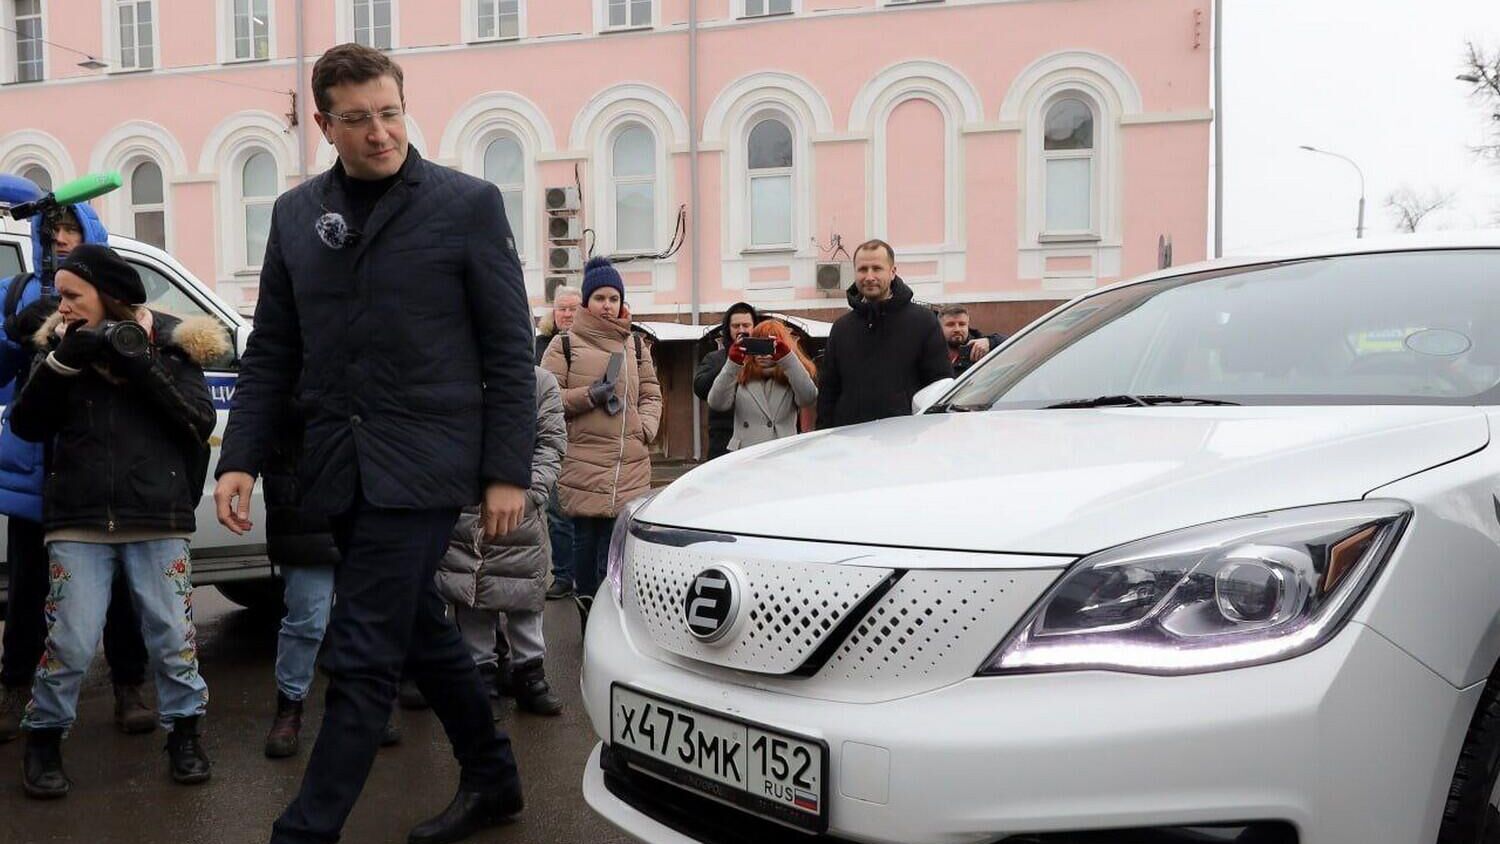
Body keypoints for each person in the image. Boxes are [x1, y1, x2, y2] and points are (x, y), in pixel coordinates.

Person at [213, 43, 534, 844]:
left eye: (390, 112)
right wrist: (240, 456)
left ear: (403, 105)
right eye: (357, 120)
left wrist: (505, 472)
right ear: (325, 124)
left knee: (359, 652)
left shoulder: (467, 204)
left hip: (426, 463)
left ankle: (305, 830)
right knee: (418, 629)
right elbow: (274, 351)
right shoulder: (295, 217)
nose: (380, 133)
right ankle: (494, 778)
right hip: (338, 464)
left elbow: (506, 350)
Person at [9, 244, 220, 798]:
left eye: (74, 296)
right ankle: (45, 739)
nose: (64, 306)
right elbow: (28, 425)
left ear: (109, 297)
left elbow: (197, 421)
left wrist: (140, 364)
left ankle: (185, 737)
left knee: (174, 639)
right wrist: (62, 362)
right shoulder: (58, 345)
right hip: (78, 519)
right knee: (72, 641)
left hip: (157, 515)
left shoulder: (176, 343)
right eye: (61, 296)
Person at [0, 201, 154, 742]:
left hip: (98, 472)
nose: (60, 238)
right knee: (26, 592)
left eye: (70, 229)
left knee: (118, 590)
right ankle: (15, 687)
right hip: (35, 472)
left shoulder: (111, 306)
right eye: (52, 229)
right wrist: (20, 331)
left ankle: (130, 685)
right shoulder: (19, 291)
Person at [261, 395, 401, 758]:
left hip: (366, 503)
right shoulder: (288, 355)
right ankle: (290, 706)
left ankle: (363, 706)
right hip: (303, 508)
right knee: (307, 619)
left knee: (365, 618)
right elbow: (266, 412)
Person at [439, 365, 567, 716]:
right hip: (466, 507)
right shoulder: (457, 377)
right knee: (473, 595)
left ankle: (530, 673)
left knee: (524, 595)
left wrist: (530, 494)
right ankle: (482, 677)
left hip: (521, 507)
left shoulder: (540, 383)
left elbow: (551, 443)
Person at [541, 256, 660, 613]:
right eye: (599, 298)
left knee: (615, 545)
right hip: (582, 460)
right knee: (584, 540)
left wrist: (645, 428)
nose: (607, 306)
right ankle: (585, 612)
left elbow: (652, 393)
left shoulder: (636, 346)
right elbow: (546, 399)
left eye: (613, 299)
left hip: (628, 463)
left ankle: (608, 617)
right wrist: (588, 396)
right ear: (586, 303)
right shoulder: (563, 345)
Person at [816, 239, 951, 429]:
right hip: (850, 442)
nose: (869, 276)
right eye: (863, 269)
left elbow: (939, 386)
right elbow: (828, 393)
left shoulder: (923, 322)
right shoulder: (841, 328)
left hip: (905, 440)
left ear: (893, 271)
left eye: (877, 268)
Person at [706, 318, 817, 451]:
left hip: (781, 452)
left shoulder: (792, 375)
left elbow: (808, 397)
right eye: (757, 346)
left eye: (768, 346)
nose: (763, 354)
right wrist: (732, 363)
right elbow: (717, 403)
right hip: (746, 453)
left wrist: (788, 359)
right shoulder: (741, 373)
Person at [537, 286, 580, 600]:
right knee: (557, 511)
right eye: (562, 308)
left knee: (587, 515)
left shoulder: (590, 344)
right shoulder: (539, 346)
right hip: (551, 437)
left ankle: (588, 577)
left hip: (586, 439)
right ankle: (563, 575)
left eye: (573, 308)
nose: (567, 313)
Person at [692, 302, 758, 460]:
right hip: (723, 443)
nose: (741, 330)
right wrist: (730, 362)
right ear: (728, 329)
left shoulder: (762, 358)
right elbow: (700, 388)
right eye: (736, 326)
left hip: (756, 442)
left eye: (746, 325)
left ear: (754, 327)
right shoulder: (715, 358)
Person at [938, 305, 1006, 376]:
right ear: (939, 327)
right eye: (950, 325)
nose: (957, 329)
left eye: (962, 324)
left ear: (968, 326)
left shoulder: (981, 346)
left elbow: (1014, 344)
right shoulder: (931, 350)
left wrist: (990, 342)